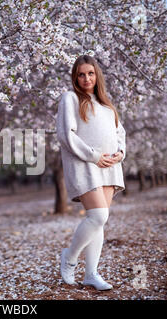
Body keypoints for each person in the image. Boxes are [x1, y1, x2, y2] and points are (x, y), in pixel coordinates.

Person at [55, 55, 126, 291]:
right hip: (85, 164)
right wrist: (95, 156)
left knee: (99, 223)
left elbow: (120, 134)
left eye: (91, 73)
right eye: (81, 74)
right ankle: (70, 256)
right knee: (98, 217)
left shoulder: (106, 105)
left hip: (109, 167)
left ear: (97, 75)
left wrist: (120, 153)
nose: (86, 78)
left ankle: (91, 274)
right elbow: (66, 135)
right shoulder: (70, 98)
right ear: (75, 77)